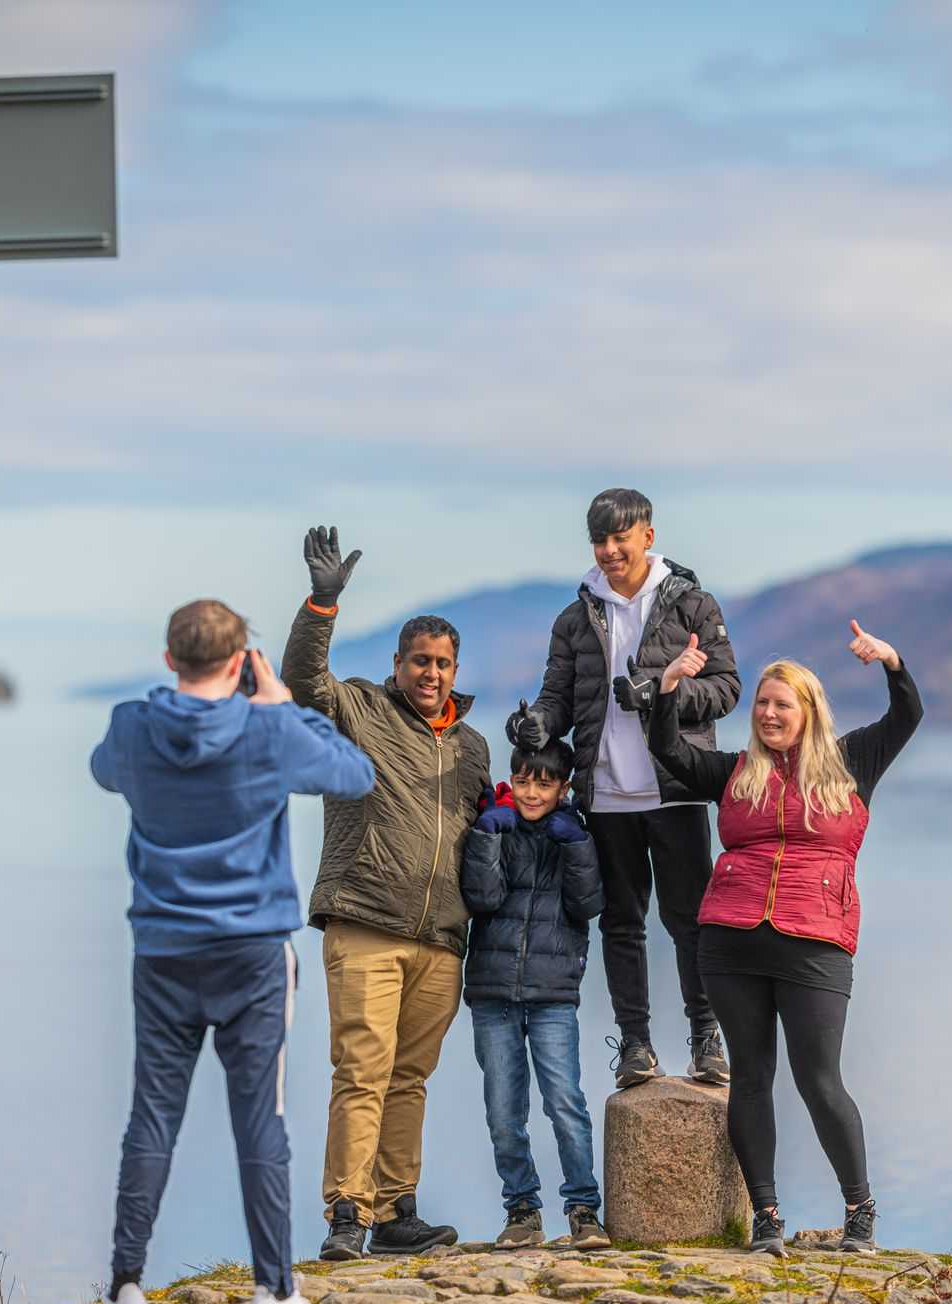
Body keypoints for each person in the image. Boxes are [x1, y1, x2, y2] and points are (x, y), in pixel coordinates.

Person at [89, 599, 375, 1304]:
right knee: (261, 1122)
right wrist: (284, 706)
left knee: (152, 1115)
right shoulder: (268, 727)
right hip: (251, 954)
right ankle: (274, 1292)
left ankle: (124, 1288)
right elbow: (355, 772)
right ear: (243, 659)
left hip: (162, 951)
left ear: (168, 658)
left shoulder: (131, 725)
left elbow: (103, 772)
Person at [644, 618, 922, 1258]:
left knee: (820, 1079)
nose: (768, 713)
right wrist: (668, 690)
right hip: (730, 941)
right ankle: (766, 1215)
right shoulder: (735, 771)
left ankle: (860, 1212)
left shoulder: (853, 762)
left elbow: (907, 715)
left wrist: (891, 661)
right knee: (751, 1078)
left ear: (808, 710)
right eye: (762, 703)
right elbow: (671, 753)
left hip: (816, 940)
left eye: (781, 704)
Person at [283, 527, 494, 1259]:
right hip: (367, 920)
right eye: (419, 661)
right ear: (397, 664)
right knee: (363, 1070)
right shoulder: (360, 710)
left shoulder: (471, 746)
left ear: (455, 667)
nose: (431, 673)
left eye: (442, 663)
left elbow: (484, 830)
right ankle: (347, 1212)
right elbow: (303, 683)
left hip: (439, 937)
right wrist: (322, 603)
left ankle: (397, 1209)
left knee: (410, 1078)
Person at [508, 488, 741, 1089]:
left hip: (677, 789)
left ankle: (705, 1039)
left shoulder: (693, 606)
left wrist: (663, 693)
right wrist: (537, 724)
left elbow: (727, 688)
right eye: (600, 540)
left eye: (621, 537)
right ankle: (635, 1045)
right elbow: (559, 697)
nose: (611, 550)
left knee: (690, 922)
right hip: (605, 795)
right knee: (621, 924)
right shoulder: (576, 616)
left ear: (648, 536)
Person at [459, 740, 611, 1251]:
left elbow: (588, 903)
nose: (530, 792)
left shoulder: (575, 836)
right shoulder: (494, 827)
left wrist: (577, 846)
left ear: (563, 788)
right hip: (493, 990)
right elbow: (482, 898)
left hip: (553, 995)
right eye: (522, 780)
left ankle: (584, 1209)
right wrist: (484, 838)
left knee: (565, 1103)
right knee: (504, 1111)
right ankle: (522, 1209)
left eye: (544, 783)